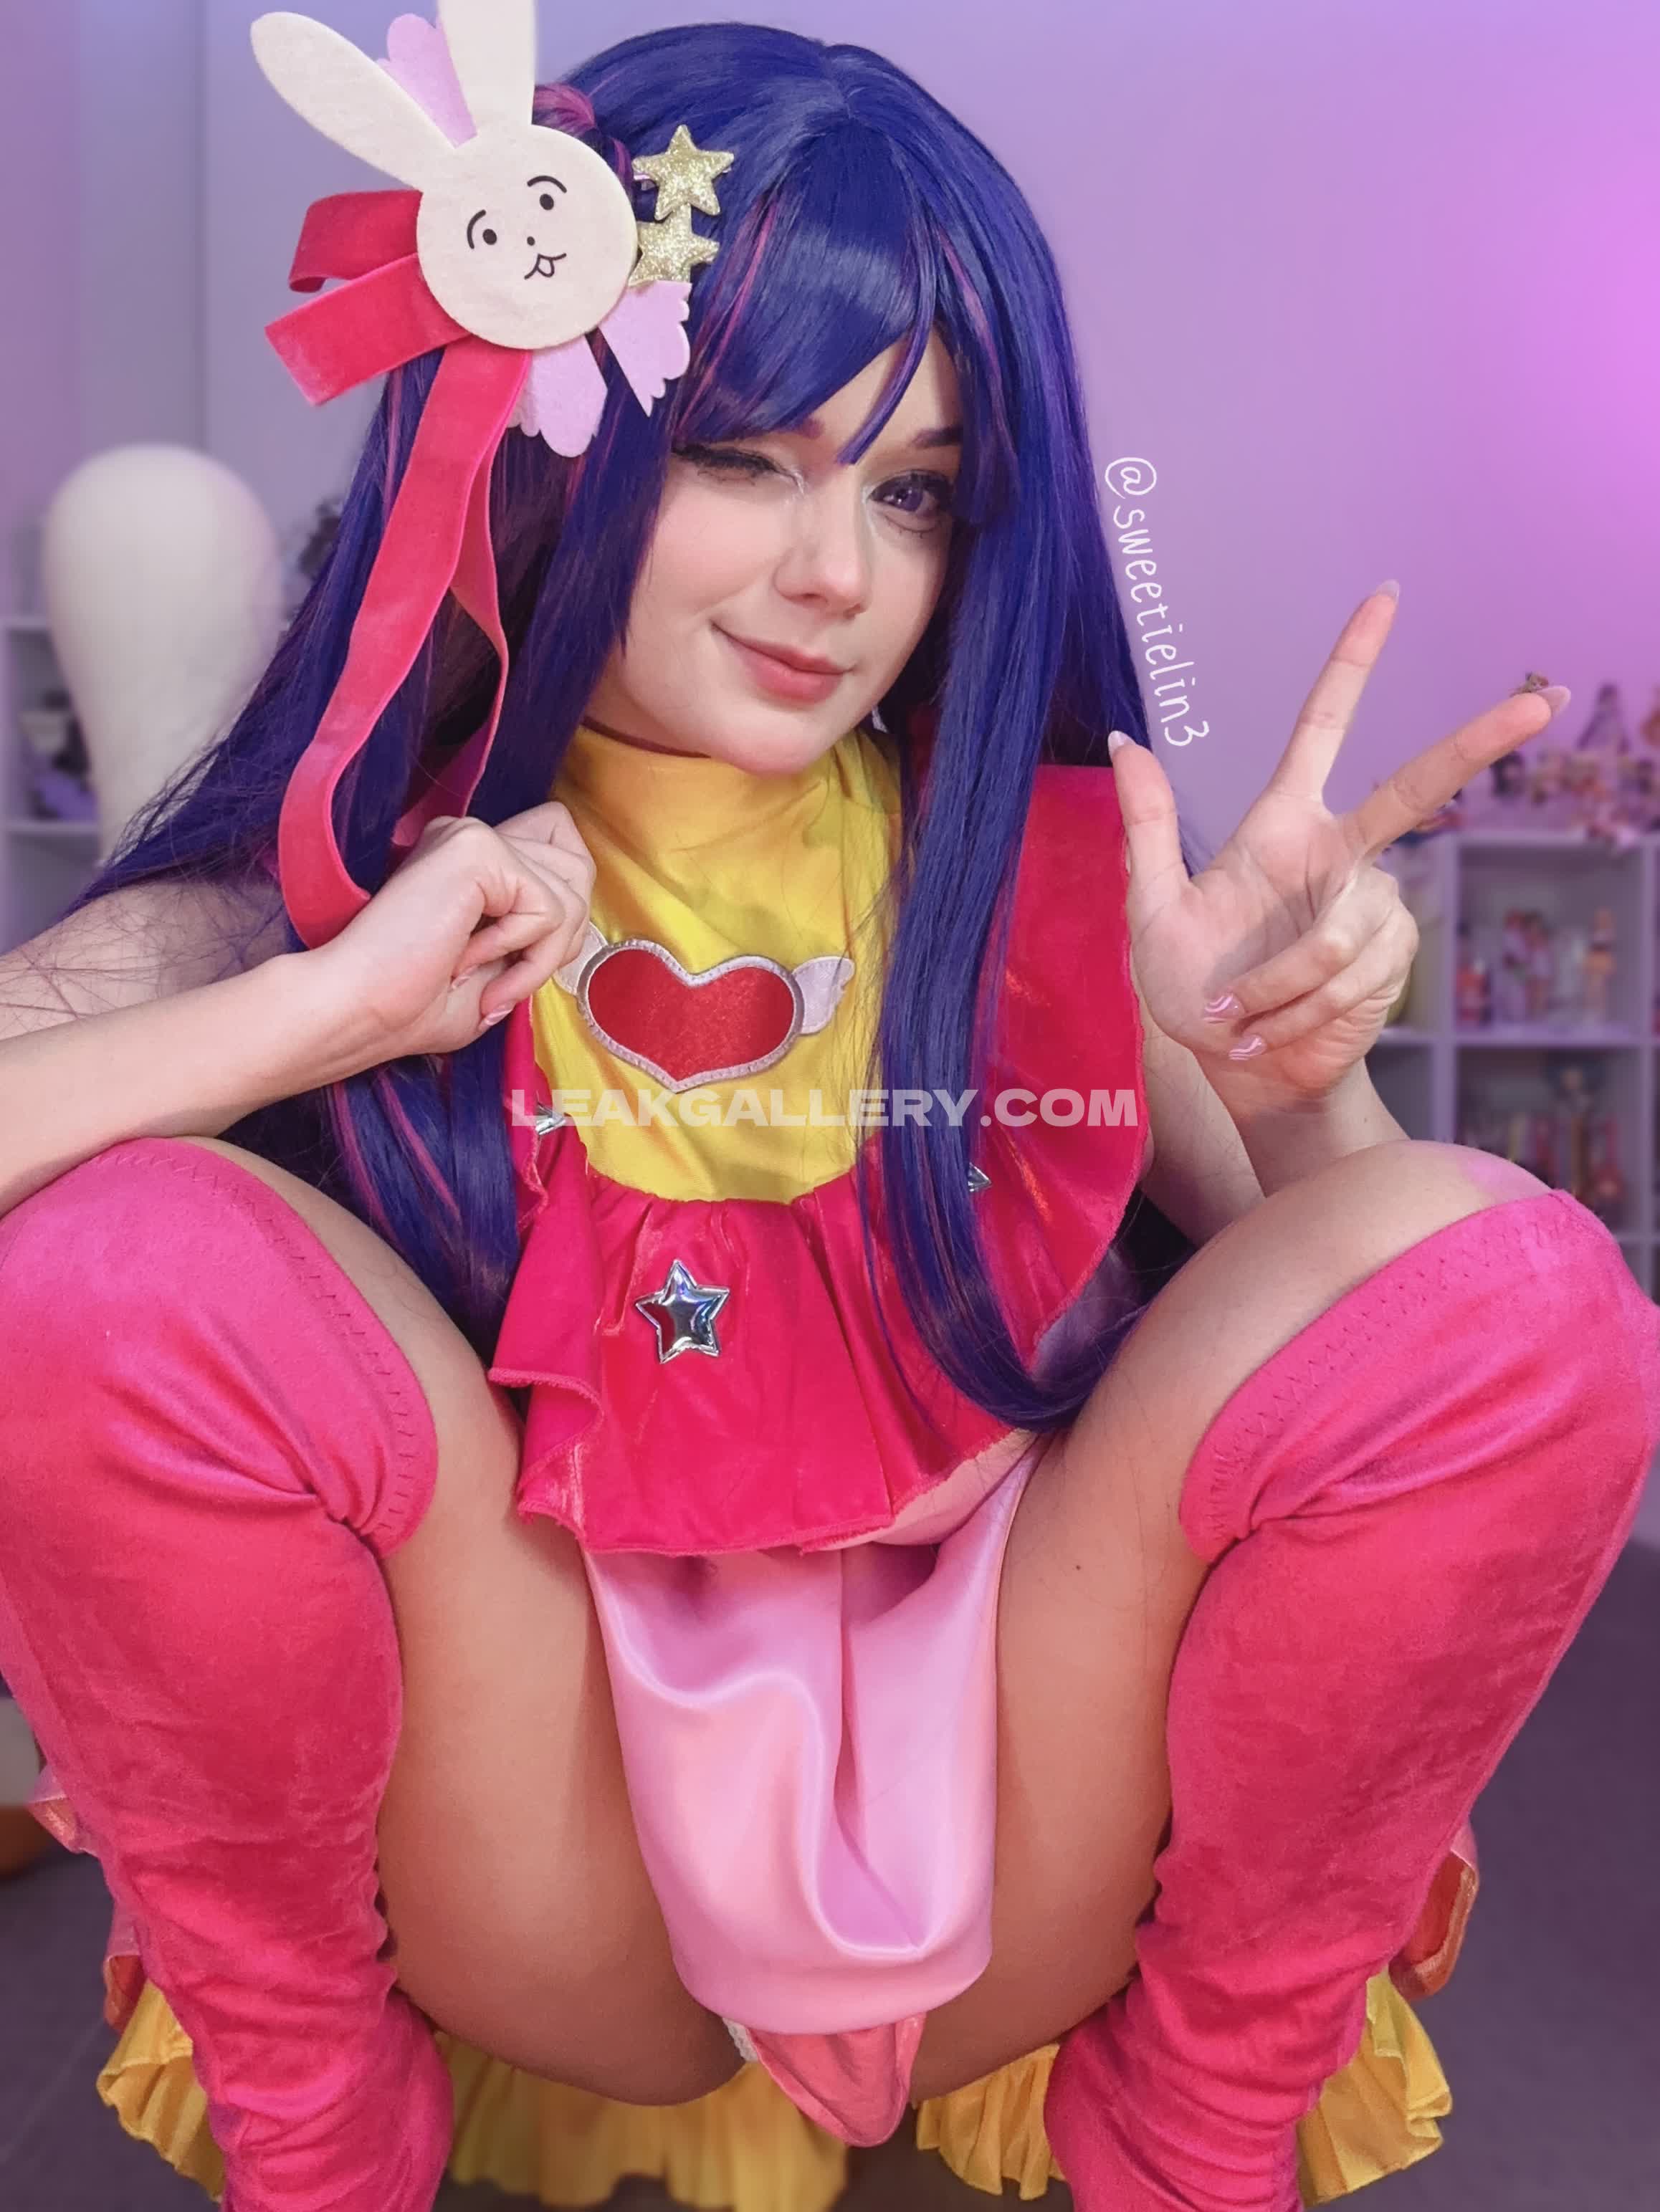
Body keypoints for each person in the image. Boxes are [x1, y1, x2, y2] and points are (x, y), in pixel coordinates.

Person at [1, 13, 1654, 2212]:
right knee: (107, 1260)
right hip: (542, 1840)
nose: (836, 577)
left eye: (911, 492)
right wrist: (314, 1010)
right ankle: (319, 2137)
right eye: (745, 457)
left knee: (1516, 1276)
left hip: (1004, 1823)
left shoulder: (1049, 877)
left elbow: (1409, 1380)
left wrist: (1295, 1081)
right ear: (544, 435)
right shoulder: (343, 886)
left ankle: (1195, 2141)